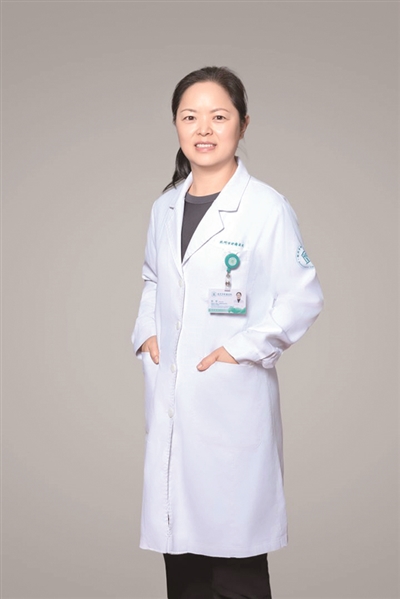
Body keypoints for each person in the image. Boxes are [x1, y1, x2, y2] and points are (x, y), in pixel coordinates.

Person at [131, 66, 324, 599]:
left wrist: (240, 351)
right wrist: (147, 335)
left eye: (219, 116)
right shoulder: (165, 206)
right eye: (190, 117)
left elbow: (303, 297)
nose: (204, 129)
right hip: (175, 398)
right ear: (175, 125)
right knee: (184, 566)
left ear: (243, 124)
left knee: (235, 567)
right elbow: (153, 279)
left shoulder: (266, 207)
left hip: (230, 401)